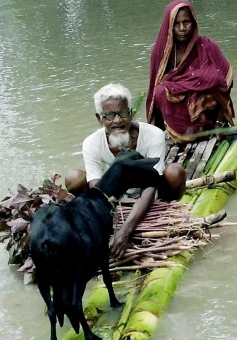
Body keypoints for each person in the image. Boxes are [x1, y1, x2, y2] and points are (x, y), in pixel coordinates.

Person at [65, 83, 187, 259]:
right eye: (109, 115)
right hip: (114, 199)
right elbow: (97, 190)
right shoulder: (91, 143)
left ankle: (165, 211)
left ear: (130, 113)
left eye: (123, 113)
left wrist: (125, 231)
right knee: (73, 178)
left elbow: (151, 187)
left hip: (151, 196)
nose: (117, 121)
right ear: (99, 119)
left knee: (175, 173)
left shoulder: (153, 135)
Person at [146, 0, 236, 143]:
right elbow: (153, 92)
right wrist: (150, 135)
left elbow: (226, 82)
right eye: (177, 23)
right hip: (178, 121)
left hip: (209, 119)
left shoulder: (207, 46)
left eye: (186, 22)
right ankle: (183, 135)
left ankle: (209, 129)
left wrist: (219, 123)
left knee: (209, 85)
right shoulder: (161, 54)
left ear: (193, 22)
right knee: (161, 91)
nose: (182, 28)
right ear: (169, 26)